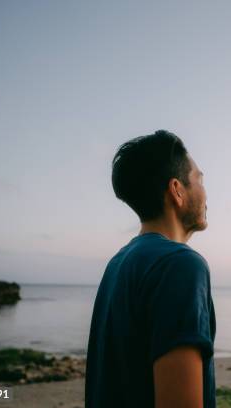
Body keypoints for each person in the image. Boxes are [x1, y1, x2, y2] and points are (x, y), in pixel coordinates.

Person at [85, 130, 216, 407]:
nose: (206, 192)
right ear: (177, 190)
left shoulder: (118, 264)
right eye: (199, 180)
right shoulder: (180, 265)